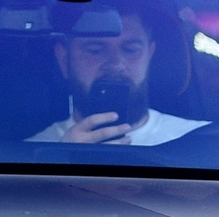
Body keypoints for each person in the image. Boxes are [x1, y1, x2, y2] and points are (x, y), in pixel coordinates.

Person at [28, 9, 205, 146]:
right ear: (64, 59)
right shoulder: (29, 157)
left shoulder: (200, 144)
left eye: (130, 50)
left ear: (149, 55)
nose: (115, 65)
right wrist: (62, 162)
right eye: (95, 51)